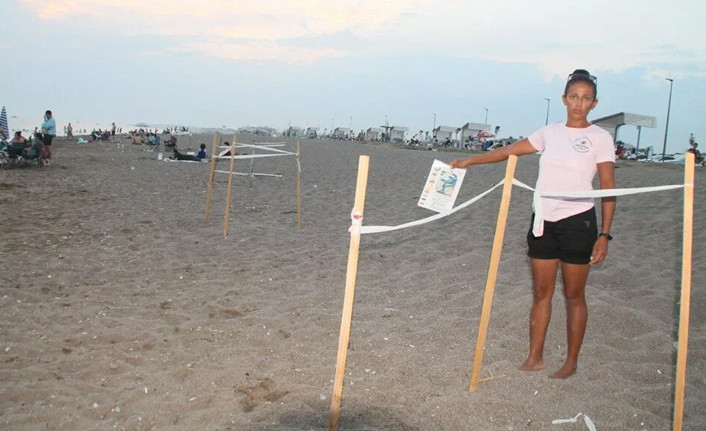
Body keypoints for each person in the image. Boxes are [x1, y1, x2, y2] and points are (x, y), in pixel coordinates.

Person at [451, 69, 616, 379]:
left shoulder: (600, 138)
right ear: (564, 99)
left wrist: (605, 234)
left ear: (594, 104)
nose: (579, 103)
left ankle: (571, 361)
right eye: (574, 97)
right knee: (541, 293)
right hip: (543, 219)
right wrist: (470, 161)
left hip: (578, 222)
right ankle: (535, 357)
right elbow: (510, 151)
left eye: (586, 98)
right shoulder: (549, 132)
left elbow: (609, 189)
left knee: (573, 295)